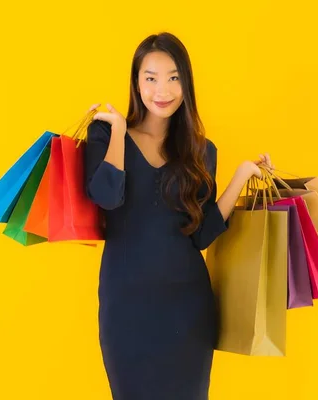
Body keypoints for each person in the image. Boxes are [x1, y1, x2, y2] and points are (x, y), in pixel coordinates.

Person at [83, 32, 273, 400]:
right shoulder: (106, 133)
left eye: (174, 77)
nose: (162, 89)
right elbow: (106, 197)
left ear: (186, 83)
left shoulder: (202, 152)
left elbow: (200, 236)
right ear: (136, 83)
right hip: (127, 308)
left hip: (188, 310)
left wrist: (241, 175)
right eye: (150, 77)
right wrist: (120, 132)